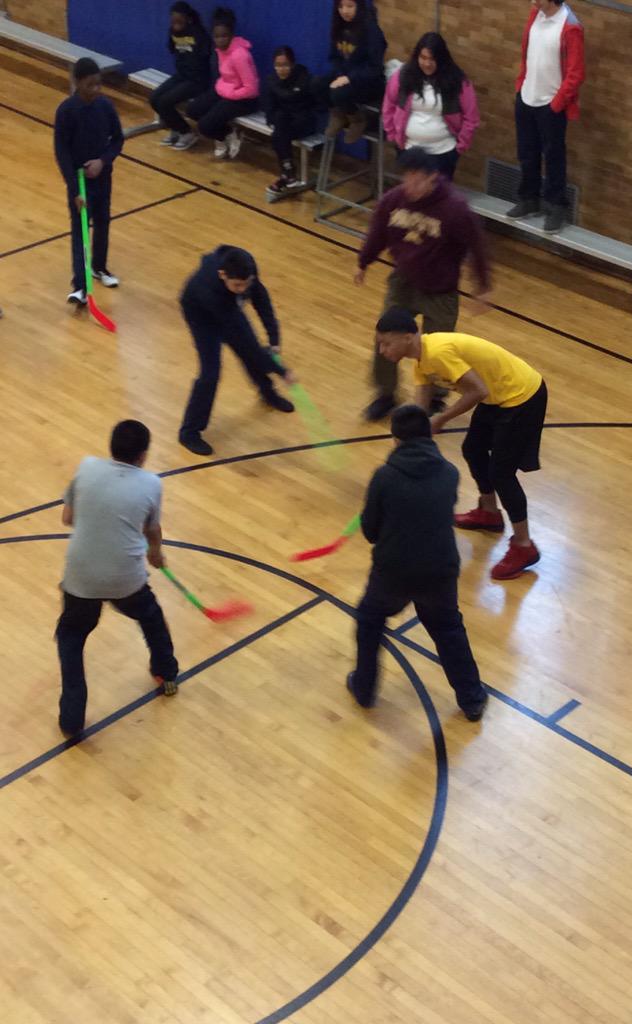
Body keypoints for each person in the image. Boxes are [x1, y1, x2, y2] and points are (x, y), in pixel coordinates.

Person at [375, 308, 548, 581]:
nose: (382, 350)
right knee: (473, 449)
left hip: (521, 395)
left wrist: (442, 418)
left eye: (387, 343)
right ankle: (489, 513)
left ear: (408, 337)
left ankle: (524, 546)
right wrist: (407, 438)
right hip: (497, 396)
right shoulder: (421, 360)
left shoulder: (438, 352)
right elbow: (421, 409)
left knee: (501, 474)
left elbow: (478, 391)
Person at [348, 403, 488, 721]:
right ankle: (472, 699)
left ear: (395, 439)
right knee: (448, 628)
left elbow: (370, 531)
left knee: (370, 621)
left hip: (393, 571)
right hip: (439, 569)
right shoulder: (450, 473)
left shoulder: (384, 477)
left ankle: (365, 689)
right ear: (430, 434)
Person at [56, 420, 179, 737]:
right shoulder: (151, 483)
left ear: (111, 447)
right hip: (125, 576)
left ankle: (71, 718)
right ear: (143, 455)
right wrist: (155, 553)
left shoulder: (87, 467)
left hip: (81, 574)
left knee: (71, 637)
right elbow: (152, 529)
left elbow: (68, 518)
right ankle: (166, 673)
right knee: (151, 617)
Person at [355, 147, 491, 421]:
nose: (410, 186)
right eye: (407, 178)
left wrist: (483, 286)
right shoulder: (393, 200)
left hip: (440, 290)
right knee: (385, 338)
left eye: (417, 180)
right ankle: (385, 394)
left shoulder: (454, 208)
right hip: (403, 283)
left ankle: (435, 399)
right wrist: (363, 262)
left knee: (437, 350)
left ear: (432, 178)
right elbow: (377, 233)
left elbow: (477, 246)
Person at [178, 245, 296, 457]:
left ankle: (268, 393)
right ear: (222, 275)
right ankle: (189, 433)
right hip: (201, 317)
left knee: (249, 352)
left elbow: (261, 300)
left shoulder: (247, 267)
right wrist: (282, 370)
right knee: (210, 374)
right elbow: (249, 344)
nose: (243, 289)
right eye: (237, 285)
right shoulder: (210, 290)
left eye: (246, 284)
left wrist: (274, 339)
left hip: (226, 309)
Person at [509, 0, 585, 234]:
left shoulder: (570, 26)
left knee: (554, 158)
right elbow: (527, 54)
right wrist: (521, 86)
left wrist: (557, 104)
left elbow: (576, 73)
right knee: (526, 153)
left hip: (551, 105)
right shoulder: (535, 15)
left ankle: (556, 206)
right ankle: (529, 199)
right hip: (527, 97)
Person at [54, 57, 124, 305]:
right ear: (77, 82)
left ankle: (99, 267)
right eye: (90, 85)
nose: (95, 89)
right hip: (80, 182)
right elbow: (61, 151)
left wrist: (103, 161)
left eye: (98, 84)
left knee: (103, 222)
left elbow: (117, 139)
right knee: (80, 230)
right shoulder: (66, 111)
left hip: (103, 177)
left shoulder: (105, 106)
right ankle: (80, 286)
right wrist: (74, 188)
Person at [383, 32, 479, 180]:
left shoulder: (458, 81)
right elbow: (388, 105)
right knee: (413, 193)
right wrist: (393, 135)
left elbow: (471, 117)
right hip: (409, 149)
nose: (427, 63)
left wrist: (460, 147)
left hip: (443, 152)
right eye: (423, 58)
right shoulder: (402, 76)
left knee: (439, 194)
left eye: (432, 59)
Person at [185, 7, 259, 159]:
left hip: (244, 99)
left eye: (224, 36)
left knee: (204, 126)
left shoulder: (240, 56)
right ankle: (228, 133)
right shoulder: (220, 51)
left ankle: (224, 135)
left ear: (231, 35)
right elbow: (226, 77)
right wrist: (224, 90)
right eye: (217, 36)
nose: (220, 40)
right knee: (192, 110)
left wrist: (231, 94)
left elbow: (252, 89)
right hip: (225, 90)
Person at [314, 0, 386, 143]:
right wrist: (340, 74)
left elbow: (375, 68)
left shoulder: (372, 31)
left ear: (359, 6)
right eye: (341, 6)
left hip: (369, 82)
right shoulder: (339, 27)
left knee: (338, 92)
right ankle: (339, 114)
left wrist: (349, 78)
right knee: (317, 84)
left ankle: (358, 119)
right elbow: (334, 58)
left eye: (349, 6)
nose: (345, 11)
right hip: (345, 76)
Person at [150, 2, 211, 151]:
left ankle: (187, 133)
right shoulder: (173, 32)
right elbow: (173, 49)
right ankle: (176, 128)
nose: (176, 24)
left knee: (165, 102)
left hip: (197, 80)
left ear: (188, 19)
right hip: (182, 76)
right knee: (154, 98)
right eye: (173, 21)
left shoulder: (198, 34)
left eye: (179, 21)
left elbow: (206, 58)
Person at [262, 46, 316, 197]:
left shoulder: (303, 77)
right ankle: (288, 173)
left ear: (292, 64)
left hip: (303, 121)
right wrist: (273, 118)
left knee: (279, 134)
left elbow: (295, 99)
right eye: (278, 65)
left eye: (285, 65)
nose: (281, 69)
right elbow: (269, 107)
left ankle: (288, 173)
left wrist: (286, 96)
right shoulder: (271, 80)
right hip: (283, 122)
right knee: (279, 127)